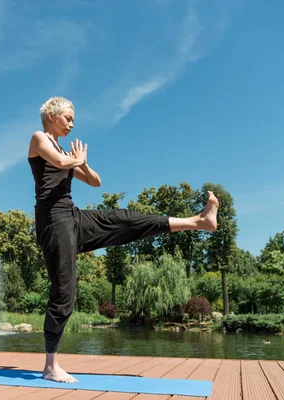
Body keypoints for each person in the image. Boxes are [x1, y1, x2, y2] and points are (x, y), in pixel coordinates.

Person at [28, 96, 219, 383]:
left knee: (126, 219)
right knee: (64, 291)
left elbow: (95, 182)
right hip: (53, 222)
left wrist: (83, 164)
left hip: (73, 216)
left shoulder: (65, 150)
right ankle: (50, 366)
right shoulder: (39, 138)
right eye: (68, 117)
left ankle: (198, 222)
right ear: (53, 115)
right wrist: (74, 160)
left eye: (73, 118)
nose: (72, 122)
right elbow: (57, 161)